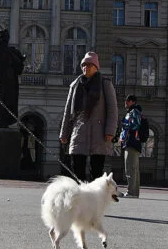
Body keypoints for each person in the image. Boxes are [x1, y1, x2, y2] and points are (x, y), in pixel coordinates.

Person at [59, 52, 118, 184]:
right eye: (84, 65)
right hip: (78, 131)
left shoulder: (105, 84)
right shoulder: (75, 85)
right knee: (77, 169)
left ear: (96, 67)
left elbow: (112, 110)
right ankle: (80, 197)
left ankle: (94, 198)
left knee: (96, 171)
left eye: (90, 65)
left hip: (99, 133)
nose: (86, 67)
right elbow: (68, 111)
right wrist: (64, 133)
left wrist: (110, 131)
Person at [119, 95, 143, 197]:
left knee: (130, 168)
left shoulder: (134, 112)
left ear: (133, 102)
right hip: (132, 142)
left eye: (127, 100)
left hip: (132, 142)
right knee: (134, 168)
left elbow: (136, 125)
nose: (125, 102)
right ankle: (134, 192)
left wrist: (124, 125)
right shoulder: (133, 112)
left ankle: (131, 192)